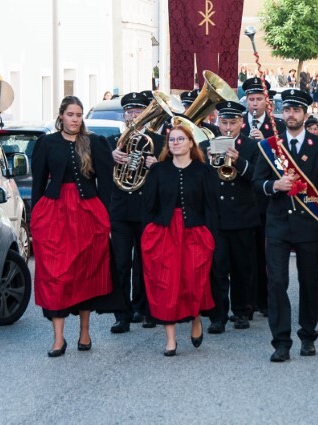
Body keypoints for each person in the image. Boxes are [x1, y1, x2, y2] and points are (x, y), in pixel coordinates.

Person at [253, 88, 318, 362]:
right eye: (287, 110)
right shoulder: (270, 146)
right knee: (277, 282)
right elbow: (257, 182)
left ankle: (308, 335)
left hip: (309, 224)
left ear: (305, 113)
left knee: (309, 281)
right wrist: (274, 185)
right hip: (278, 223)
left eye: (296, 110)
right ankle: (281, 342)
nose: (291, 115)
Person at [31, 96, 116, 357]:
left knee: (85, 271)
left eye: (79, 115)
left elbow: (106, 184)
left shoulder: (94, 143)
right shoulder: (47, 143)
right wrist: (35, 219)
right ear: (61, 116)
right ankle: (58, 339)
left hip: (88, 213)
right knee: (56, 274)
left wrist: (106, 217)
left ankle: (85, 332)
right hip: (54, 213)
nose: (75, 119)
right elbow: (37, 184)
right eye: (70, 114)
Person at [141, 123, 219, 356]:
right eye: (172, 140)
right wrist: (149, 233)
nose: (175, 143)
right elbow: (149, 205)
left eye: (180, 139)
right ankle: (171, 339)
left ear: (191, 143)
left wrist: (211, 236)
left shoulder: (203, 171)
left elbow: (211, 208)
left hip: (195, 232)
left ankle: (195, 318)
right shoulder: (158, 170)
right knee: (166, 283)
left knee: (193, 281)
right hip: (164, 233)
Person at [199, 101, 260, 333]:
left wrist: (239, 162)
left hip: (243, 216)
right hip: (216, 216)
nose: (227, 127)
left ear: (241, 123)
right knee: (217, 267)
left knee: (242, 267)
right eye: (223, 122)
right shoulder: (206, 146)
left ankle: (242, 311)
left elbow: (258, 178)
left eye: (232, 123)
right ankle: (218, 315)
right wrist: (206, 162)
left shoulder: (252, 147)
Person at [107, 92, 165, 334]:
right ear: (124, 115)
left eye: (138, 111)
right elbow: (99, 170)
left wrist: (157, 165)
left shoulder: (158, 142)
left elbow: (172, 174)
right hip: (121, 210)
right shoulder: (112, 142)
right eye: (129, 112)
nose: (133, 116)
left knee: (146, 262)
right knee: (121, 263)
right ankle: (122, 314)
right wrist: (111, 157)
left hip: (147, 209)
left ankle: (146, 309)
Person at [240, 77, 286, 320]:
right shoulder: (237, 122)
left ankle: (266, 301)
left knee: (267, 252)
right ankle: (248, 301)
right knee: (248, 253)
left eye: (259, 99)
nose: (255, 103)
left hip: (267, 198)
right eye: (251, 99)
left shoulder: (277, 126)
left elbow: (283, 162)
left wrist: (263, 144)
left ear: (267, 102)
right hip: (243, 198)